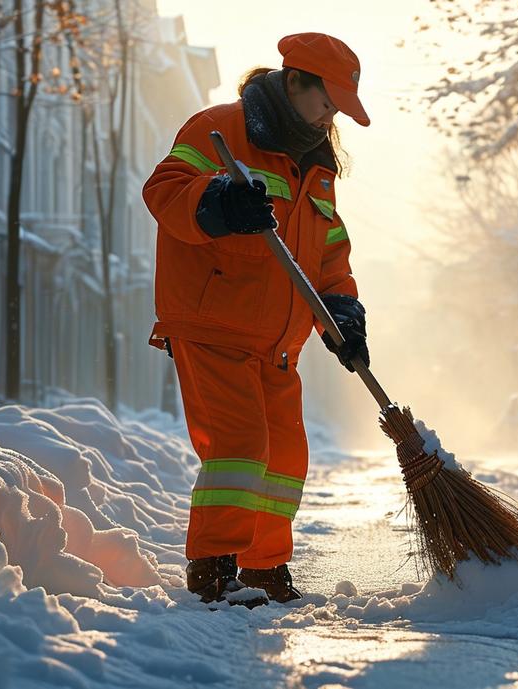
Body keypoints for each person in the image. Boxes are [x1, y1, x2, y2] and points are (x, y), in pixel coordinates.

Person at [142, 33, 371, 605]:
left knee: (286, 456)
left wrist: (343, 313)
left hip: (278, 342)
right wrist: (219, 201)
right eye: (327, 101)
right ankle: (214, 568)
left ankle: (263, 567)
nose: (331, 116)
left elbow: (328, 251)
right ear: (295, 81)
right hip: (214, 324)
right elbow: (164, 191)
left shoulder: (317, 166)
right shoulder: (220, 129)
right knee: (239, 448)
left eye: (339, 107)